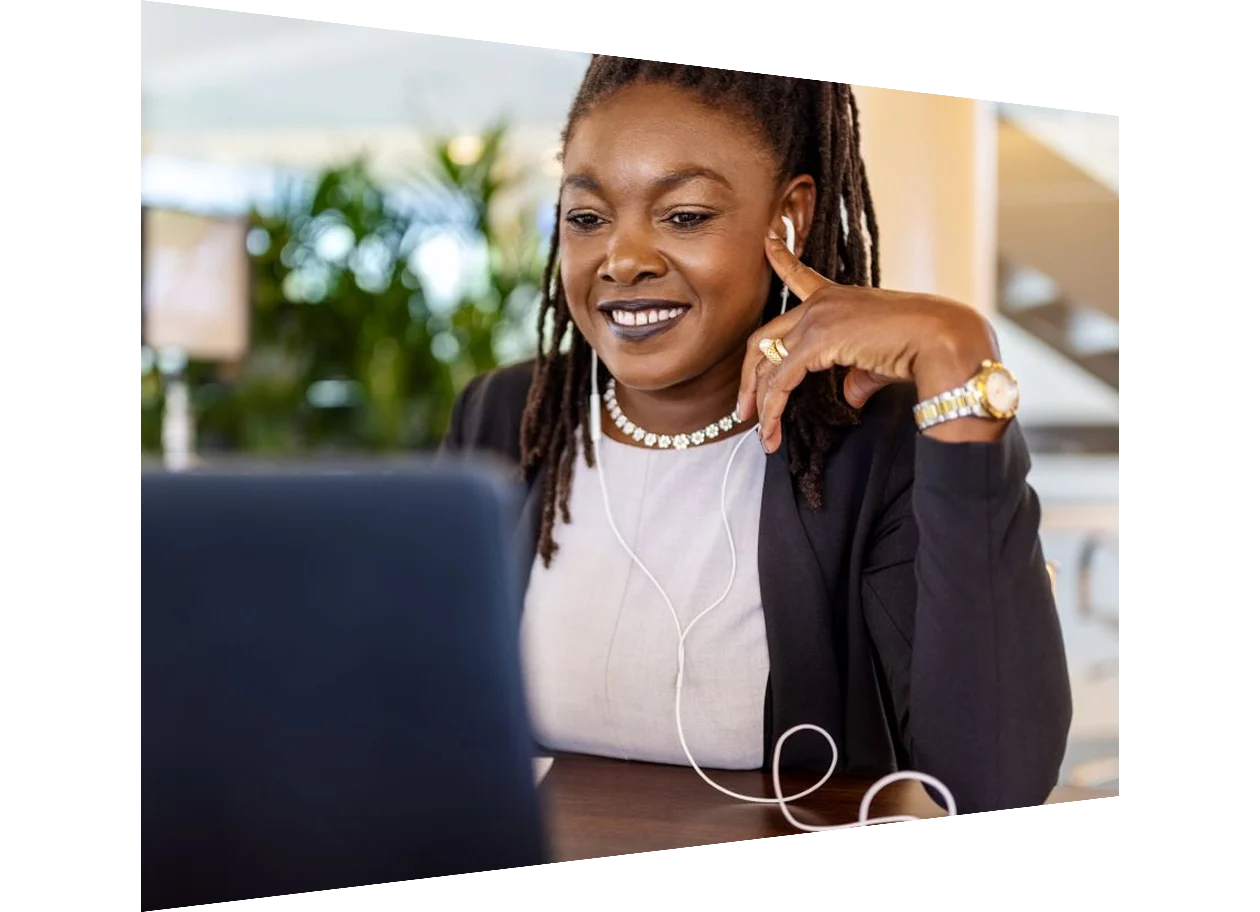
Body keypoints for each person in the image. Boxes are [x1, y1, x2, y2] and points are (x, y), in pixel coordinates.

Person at [440, 60, 1072, 817]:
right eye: (587, 217)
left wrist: (958, 355)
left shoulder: (871, 447)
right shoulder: (507, 416)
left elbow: (994, 782)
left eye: (685, 215)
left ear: (788, 220)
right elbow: (410, 706)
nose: (624, 258)